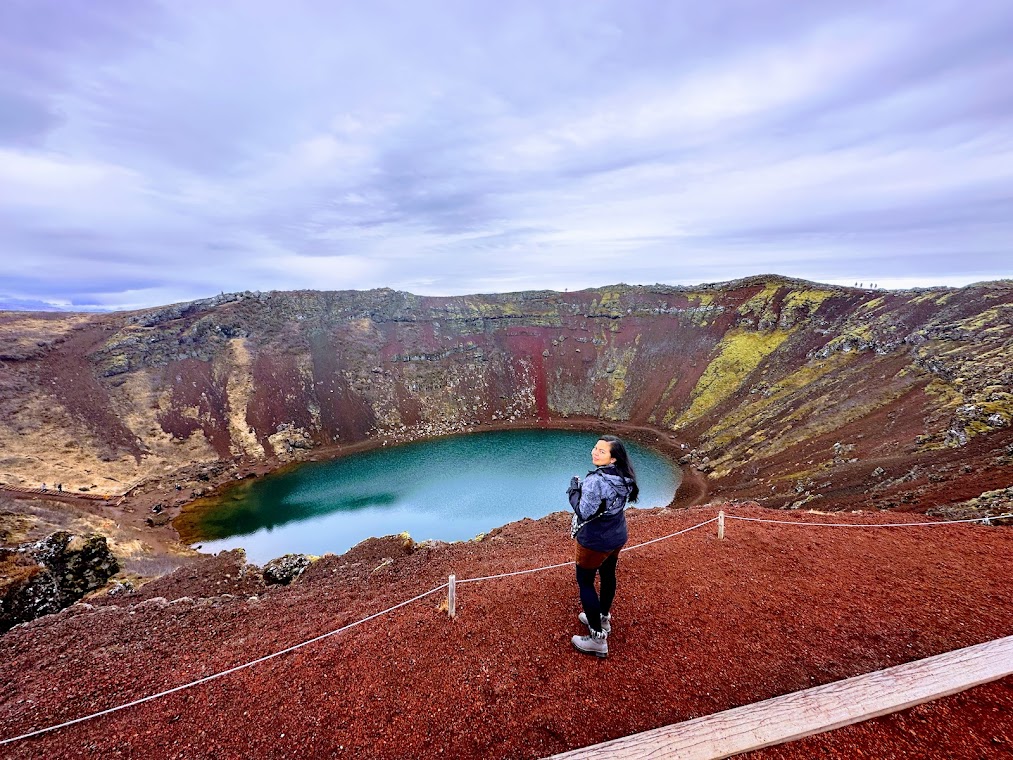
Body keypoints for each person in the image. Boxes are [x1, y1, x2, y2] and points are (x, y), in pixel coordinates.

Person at [567, 434, 639, 657]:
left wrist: (573, 490)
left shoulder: (595, 481)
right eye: (595, 448)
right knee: (608, 575)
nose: (594, 452)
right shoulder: (625, 477)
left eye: (601, 451)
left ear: (613, 458)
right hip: (616, 536)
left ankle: (597, 638)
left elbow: (583, 511)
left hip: (595, 541)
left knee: (586, 583)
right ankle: (603, 618)